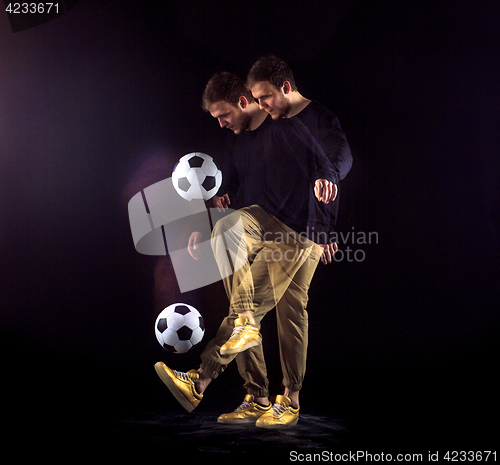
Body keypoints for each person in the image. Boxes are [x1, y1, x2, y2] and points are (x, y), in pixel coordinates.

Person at [154, 72, 337, 428]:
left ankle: (208, 381)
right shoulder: (239, 140)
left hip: (299, 232)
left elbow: (326, 169)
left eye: (224, 115)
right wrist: (204, 222)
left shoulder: (285, 127)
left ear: (242, 102)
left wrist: (325, 229)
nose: (222, 124)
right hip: (265, 225)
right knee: (242, 275)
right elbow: (230, 183)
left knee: (278, 311)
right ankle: (257, 396)